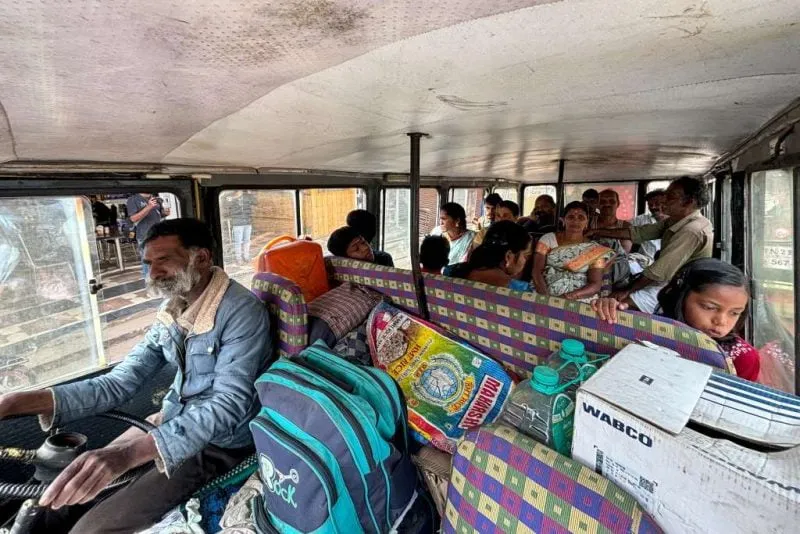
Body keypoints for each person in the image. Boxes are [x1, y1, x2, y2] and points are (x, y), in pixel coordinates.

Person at [0, 218, 272, 534]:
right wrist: (13, 403)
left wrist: (128, 454)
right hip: (169, 419)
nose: (153, 273)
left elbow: (228, 404)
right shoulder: (175, 308)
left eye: (163, 260)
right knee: (58, 500)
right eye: (148, 263)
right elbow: (119, 382)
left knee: (89, 530)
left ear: (200, 258)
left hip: (219, 443)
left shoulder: (242, 311)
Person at [591, 259, 760, 381]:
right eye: (709, 307)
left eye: (734, 313)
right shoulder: (651, 328)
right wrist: (608, 309)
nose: (722, 321)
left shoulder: (743, 358)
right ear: (681, 297)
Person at [588, 176, 713, 313]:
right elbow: (640, 233)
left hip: (680, 287)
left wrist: (627, 291)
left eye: (670, 197)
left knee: (616, 305)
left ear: (688, 202)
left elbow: (659, 271)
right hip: (665, 280)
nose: (664, 200)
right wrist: (596, 231)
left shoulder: (691, 231)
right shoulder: (675, 220)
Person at [531, 201, 614, 301]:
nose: (575, 221)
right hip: (544, 293)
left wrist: (565, 298)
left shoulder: (594, 249)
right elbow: (536, 272)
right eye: (571, 217)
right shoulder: (548, 239)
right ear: (563, 220)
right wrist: (546, 299)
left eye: (581, 218)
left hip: (580, 297)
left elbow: (595, 284)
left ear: (587, 222)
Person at [449, 221, 532, 291]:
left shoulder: (451, 272)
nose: (525, 261)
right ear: (508, 256)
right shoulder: (522, 291)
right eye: (525, 255)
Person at [127, 193, 171, 277]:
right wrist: (149, 207)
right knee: (148, 264)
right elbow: (133, 219)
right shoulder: (133, 199)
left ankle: (159, 281)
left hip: (159, 235)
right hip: (145, 236)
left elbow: (158, 215)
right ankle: (149, 283)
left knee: (161, 260)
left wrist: (165, 213)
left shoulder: (155, 197)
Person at [327, 225, 393, 266]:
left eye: (363, 242)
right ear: (345, 258)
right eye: (356, 249)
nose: (365, 248)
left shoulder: (384, 259)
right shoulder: (340, 270)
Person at [221, 190, 256, 264]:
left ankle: (246, 257)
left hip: (247, 222)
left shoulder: (247, 196)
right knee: (238, 242)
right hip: (237, 223)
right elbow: (225, 205)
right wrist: (235, 197)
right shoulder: (230, 196)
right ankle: (239, 259)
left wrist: (251, 194)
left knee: (247, 241)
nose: (241, 191)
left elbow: (255, 202)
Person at [632, 189, 668, 261]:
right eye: (650, 205)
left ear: (666, 204)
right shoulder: (640, 219)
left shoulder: (675, 221)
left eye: (657, 204)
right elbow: (626, 230)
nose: (653, 207)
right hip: (644, 261)